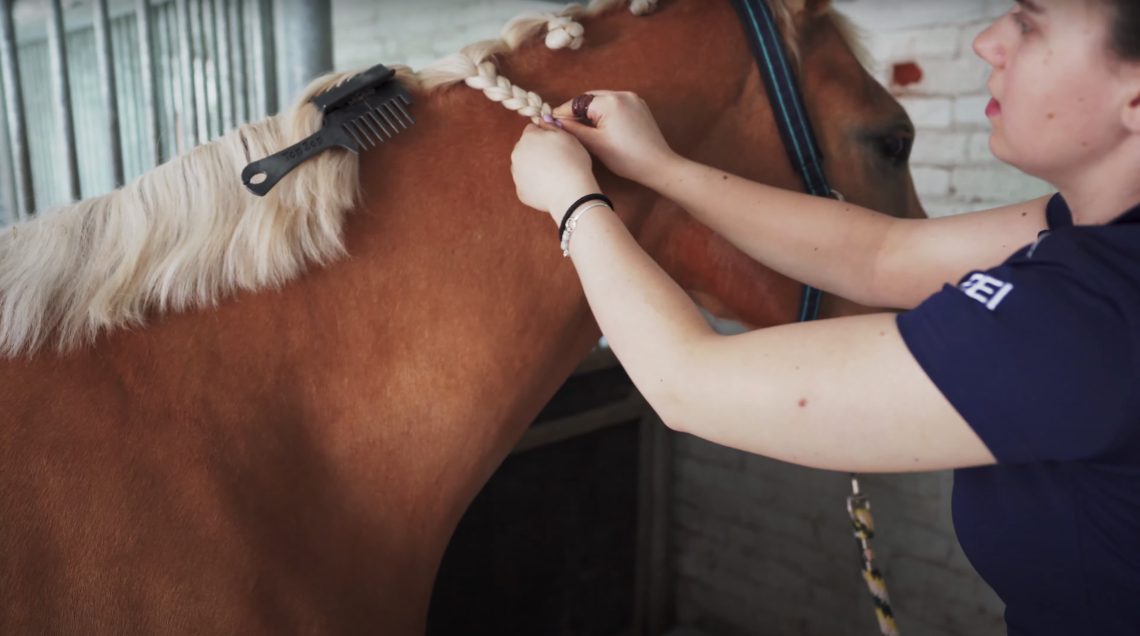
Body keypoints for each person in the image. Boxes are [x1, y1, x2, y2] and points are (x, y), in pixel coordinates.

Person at [510, 0, 1140, 633]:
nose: (987, 41)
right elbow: (881, 254)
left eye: (1029, 24)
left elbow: (686, 384)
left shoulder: (1089, 318)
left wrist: (573, 203)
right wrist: (659, 166)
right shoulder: (1092, 229)